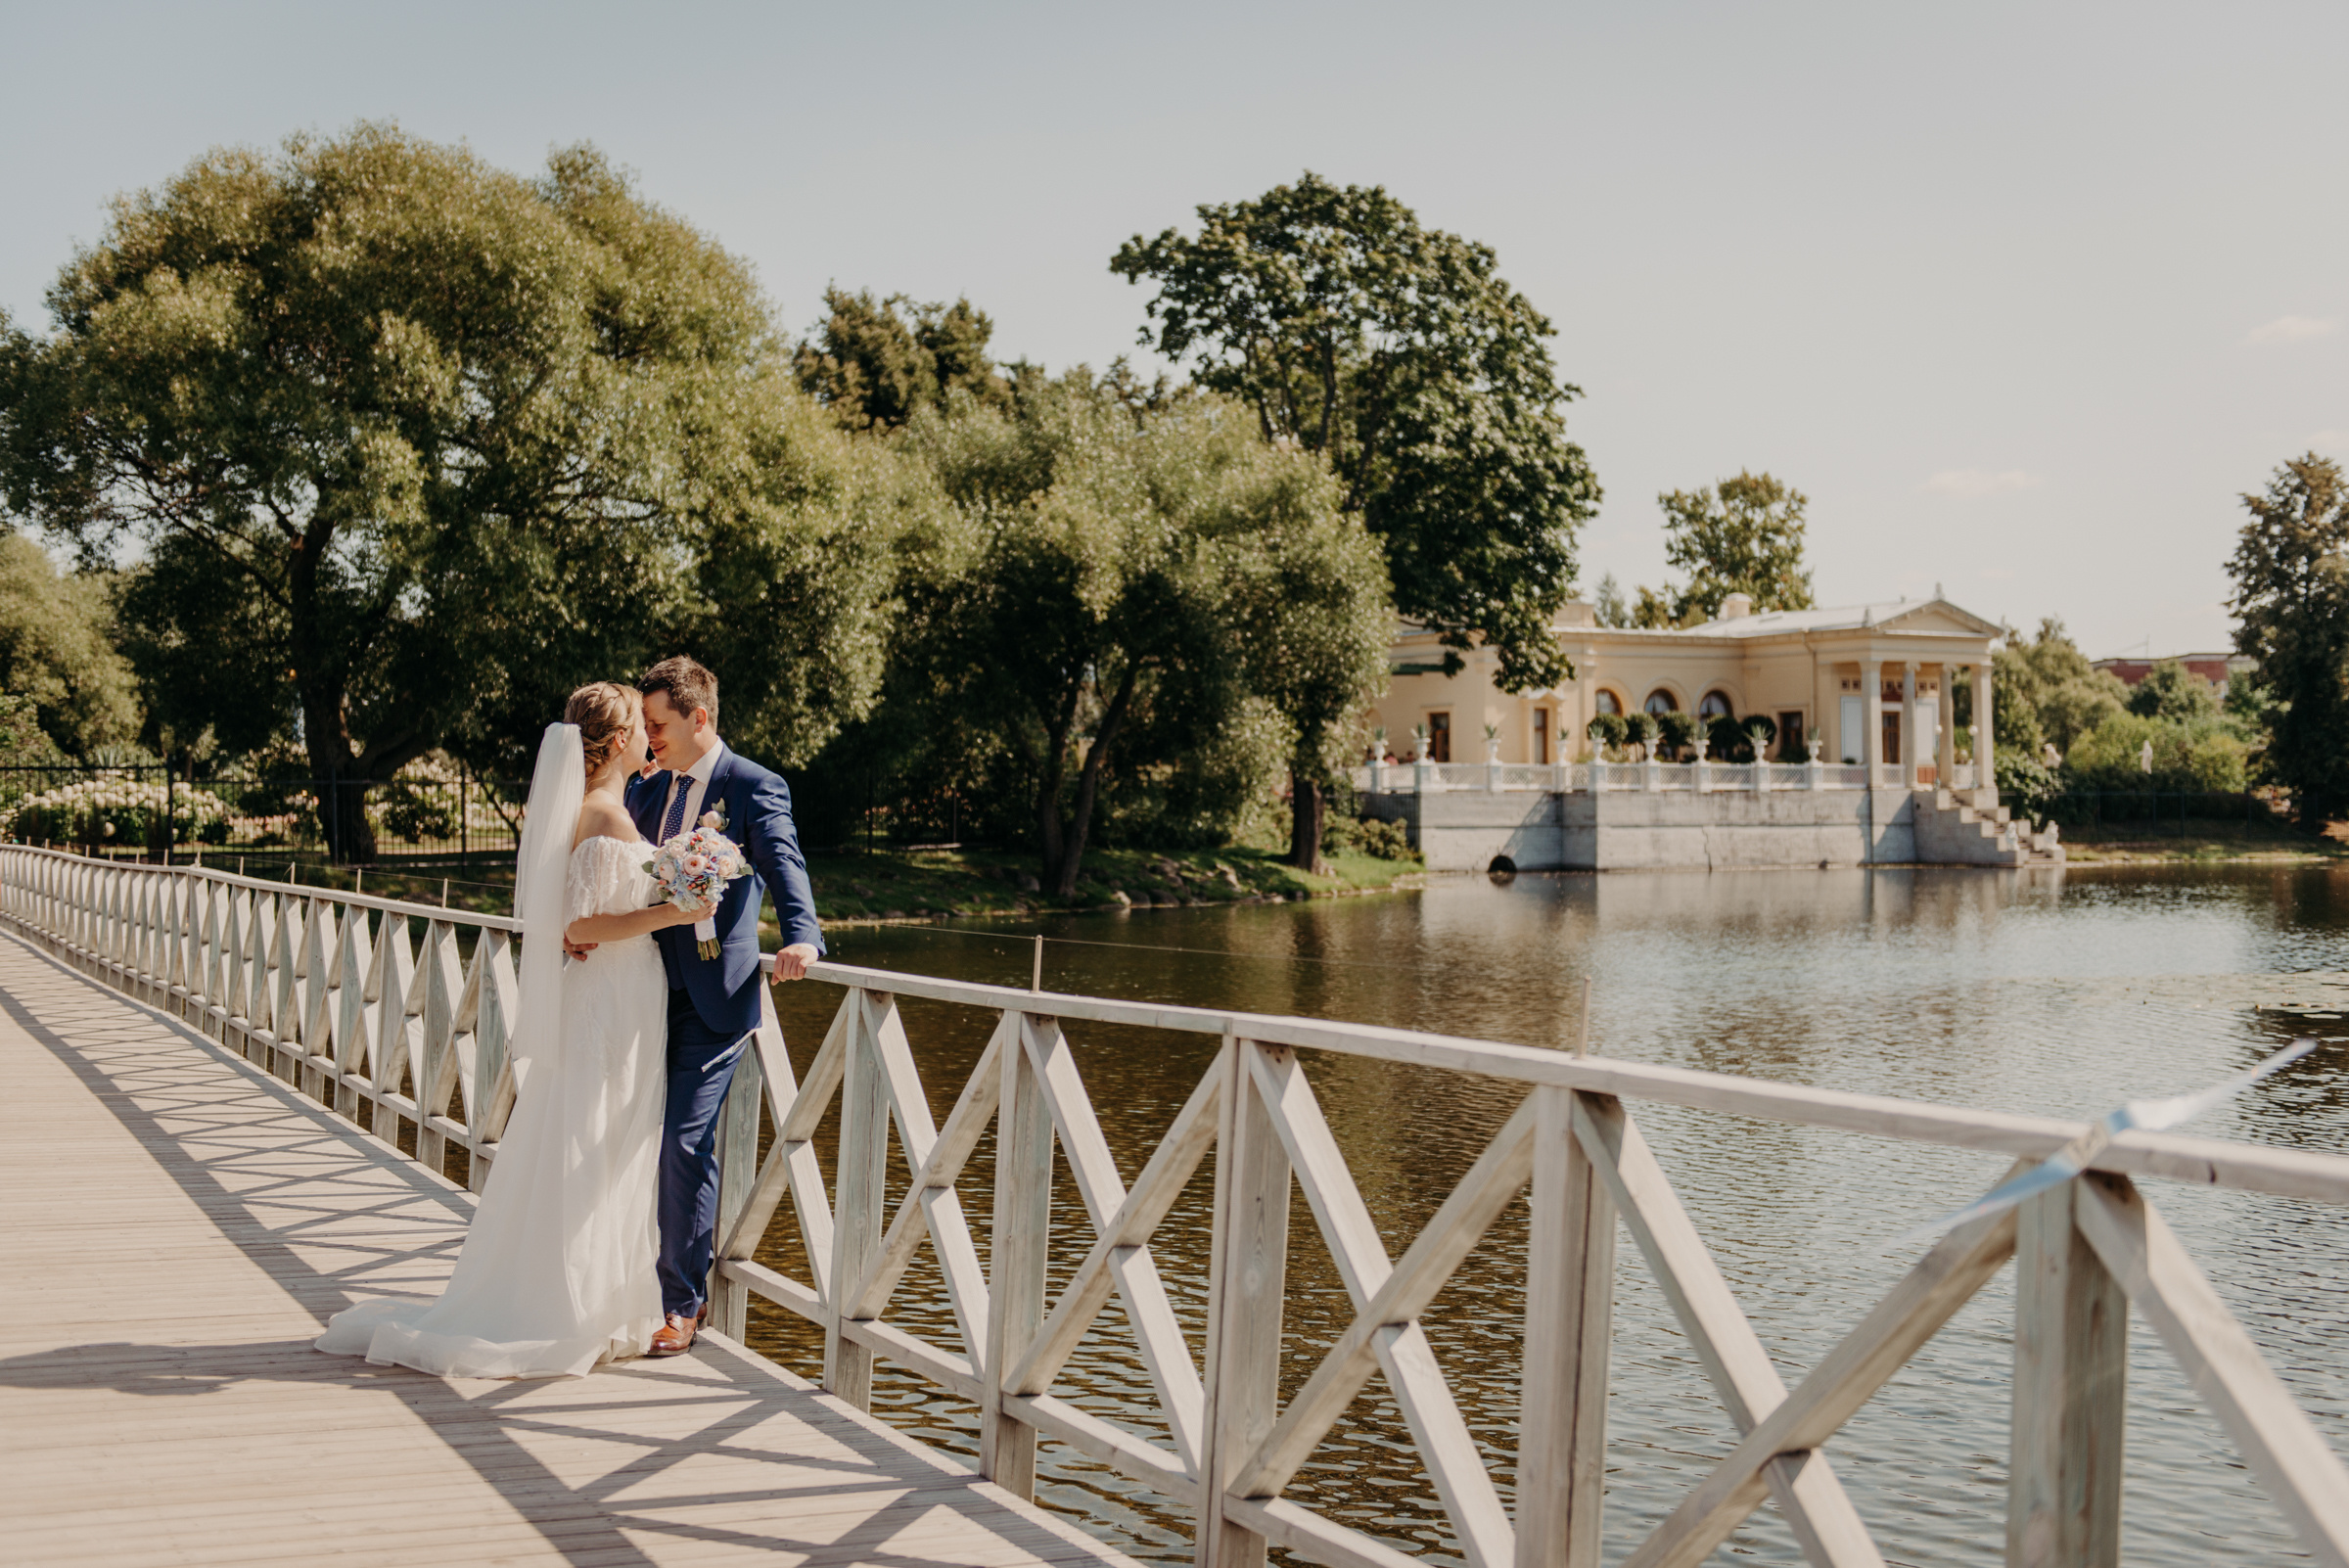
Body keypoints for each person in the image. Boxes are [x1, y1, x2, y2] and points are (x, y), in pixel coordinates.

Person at [314, 684, 713, 1378]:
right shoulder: (606, 817)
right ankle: (575, 1306)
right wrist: (676, 914)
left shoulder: (597, 809)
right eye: (641, 726)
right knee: (595, 1137)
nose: (653, 735)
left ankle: (607, 1300)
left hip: (617, 996)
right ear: (618, 742)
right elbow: (580, 926)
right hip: (610, 1000)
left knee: (599, 1137)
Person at [605, 655, 823, 1357]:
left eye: (659, 723)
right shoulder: (645, 791)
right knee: (618, 1135)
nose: (650, 734)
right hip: (636, 987)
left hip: (713, 1000)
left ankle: (682, 1303)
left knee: (684, 1142)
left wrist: (804, 940)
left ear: (700, 717)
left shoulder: (751, 785)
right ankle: (615, 1284)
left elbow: (786, 864)